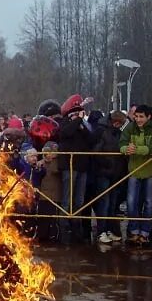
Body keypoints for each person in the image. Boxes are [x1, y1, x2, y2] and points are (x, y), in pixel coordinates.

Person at [119, 104, 152, 246]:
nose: (138, 119)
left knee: (149, 203)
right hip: (133, 170)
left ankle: (145, 233)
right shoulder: (130, 127)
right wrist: (126, 149)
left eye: (141, 117)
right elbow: (122, 143)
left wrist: (136, 149)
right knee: (131, 202)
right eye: (136, 116)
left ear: (149, 117)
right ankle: (134, 230)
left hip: (149, 170)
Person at [56, 93, 94, 243]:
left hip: (82, 166)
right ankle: (63, 227)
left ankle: (76, 227)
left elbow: (91, 139)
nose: (78, 113)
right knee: (67, 199)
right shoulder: (64, 123)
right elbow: (66, 133)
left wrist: (82, 125)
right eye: (76, 111)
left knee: (79, 199)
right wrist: (76, 120)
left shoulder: (83, 125)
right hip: (69, 166)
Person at [91, 111, 127, 244]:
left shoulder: (116, 133)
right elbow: (96, 152)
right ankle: (101, 231)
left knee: (112, 204)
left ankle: (109, 230)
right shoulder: (102, 132)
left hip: (114, 173)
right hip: (103, 173)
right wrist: (107, 163)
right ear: (115, 122)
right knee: (104, 203)